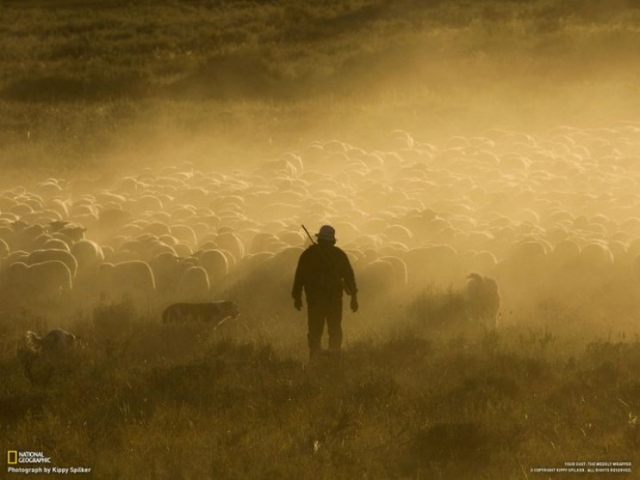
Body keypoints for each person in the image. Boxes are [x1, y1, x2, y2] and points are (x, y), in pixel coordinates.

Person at [292, 225, 358, 360]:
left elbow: (300, 277)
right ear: (333, 241)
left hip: (315, 300)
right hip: (333, 300)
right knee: (334, 328)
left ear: (319, 239)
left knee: (315, 329)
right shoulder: (339, 255)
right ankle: (334, 358)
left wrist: (297, 296)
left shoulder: (308, 255)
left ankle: (315, 357)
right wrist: (354, 298)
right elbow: (349, 276)